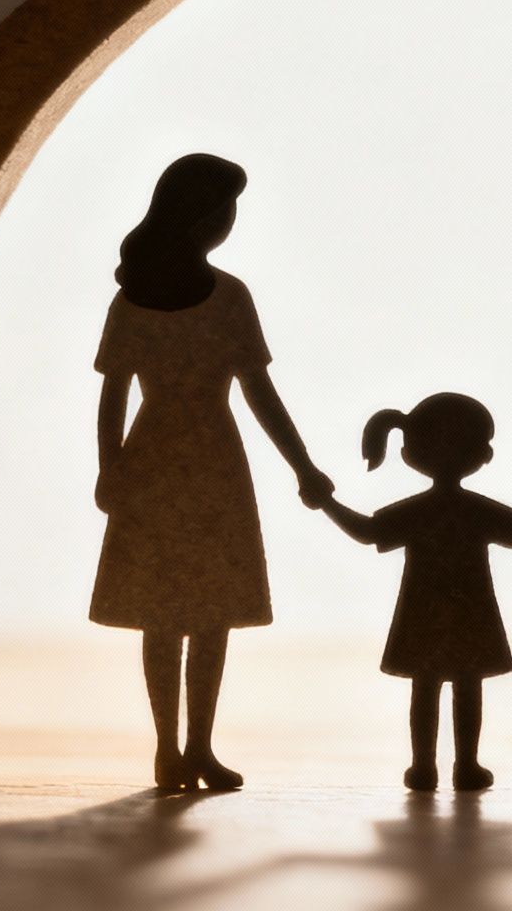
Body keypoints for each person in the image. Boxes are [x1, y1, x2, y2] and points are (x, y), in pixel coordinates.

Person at [91, 153, 334, 792]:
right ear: (202, 218)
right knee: (164, 612)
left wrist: (302, 464)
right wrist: (108, 467)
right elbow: (114, 392)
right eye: (225, 211)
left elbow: (257, 390)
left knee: (206, 612)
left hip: (205, 462)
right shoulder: (140, 299)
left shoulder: (227, 296)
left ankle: (196, 746)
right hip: (170, 461)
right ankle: (169, 748)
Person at [320, 393, 512, 791]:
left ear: (409, 452)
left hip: (423, 610)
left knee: (427, 685)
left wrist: (327, 504)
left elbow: (368, 532)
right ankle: (464, 766)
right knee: (466, 685)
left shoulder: (419, 511)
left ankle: (425, 767)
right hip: (470, 609)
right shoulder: (473, 509)